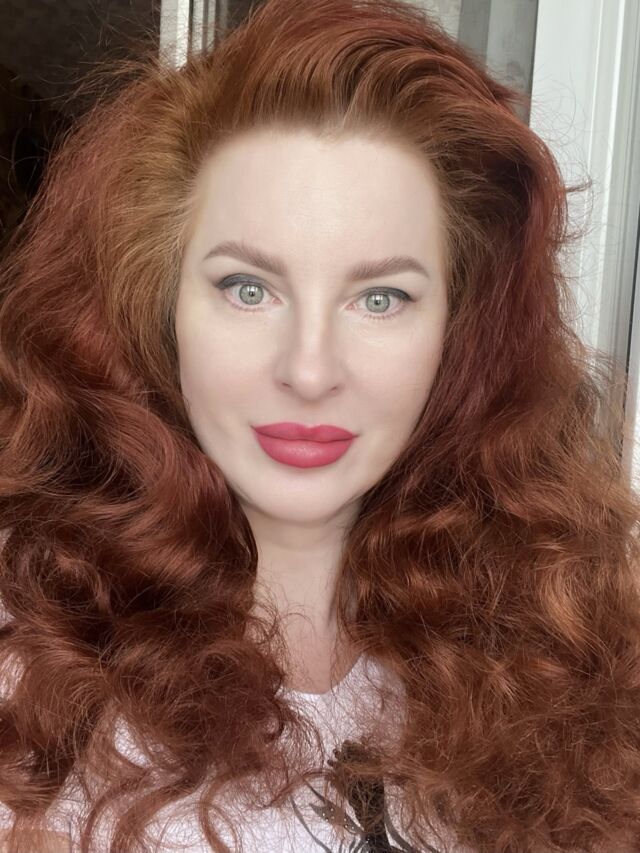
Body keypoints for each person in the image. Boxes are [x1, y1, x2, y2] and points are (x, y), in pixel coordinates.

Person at [0, 0, 639, 851]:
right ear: (160, 309)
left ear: (458, 335)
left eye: (381, 298)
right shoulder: (31, 654)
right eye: (248, 288)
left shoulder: (558, 647)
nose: (309, 370)